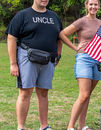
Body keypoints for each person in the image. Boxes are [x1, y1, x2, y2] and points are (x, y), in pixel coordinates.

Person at [5, 0, 62, 129]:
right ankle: (21, 127)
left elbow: (59, 37)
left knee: (43, 93)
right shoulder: (23, 15)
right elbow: (11, 38)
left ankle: (44, 126)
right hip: (27, 57)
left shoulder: (54, 17)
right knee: (25, 92)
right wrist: (13, 63)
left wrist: (58, 54)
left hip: (48, 60)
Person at [58, 0, 101, 129]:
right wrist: (75, 47)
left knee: (87, 95)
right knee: (83, 95)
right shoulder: (82, 21)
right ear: (86, 6)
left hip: (98, 61)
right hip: (84, 59)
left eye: (96, 4)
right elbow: (62, 34)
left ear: (99, 6)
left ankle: (81, 126)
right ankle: (70, 126)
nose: (93, 7)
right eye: (91, 4)